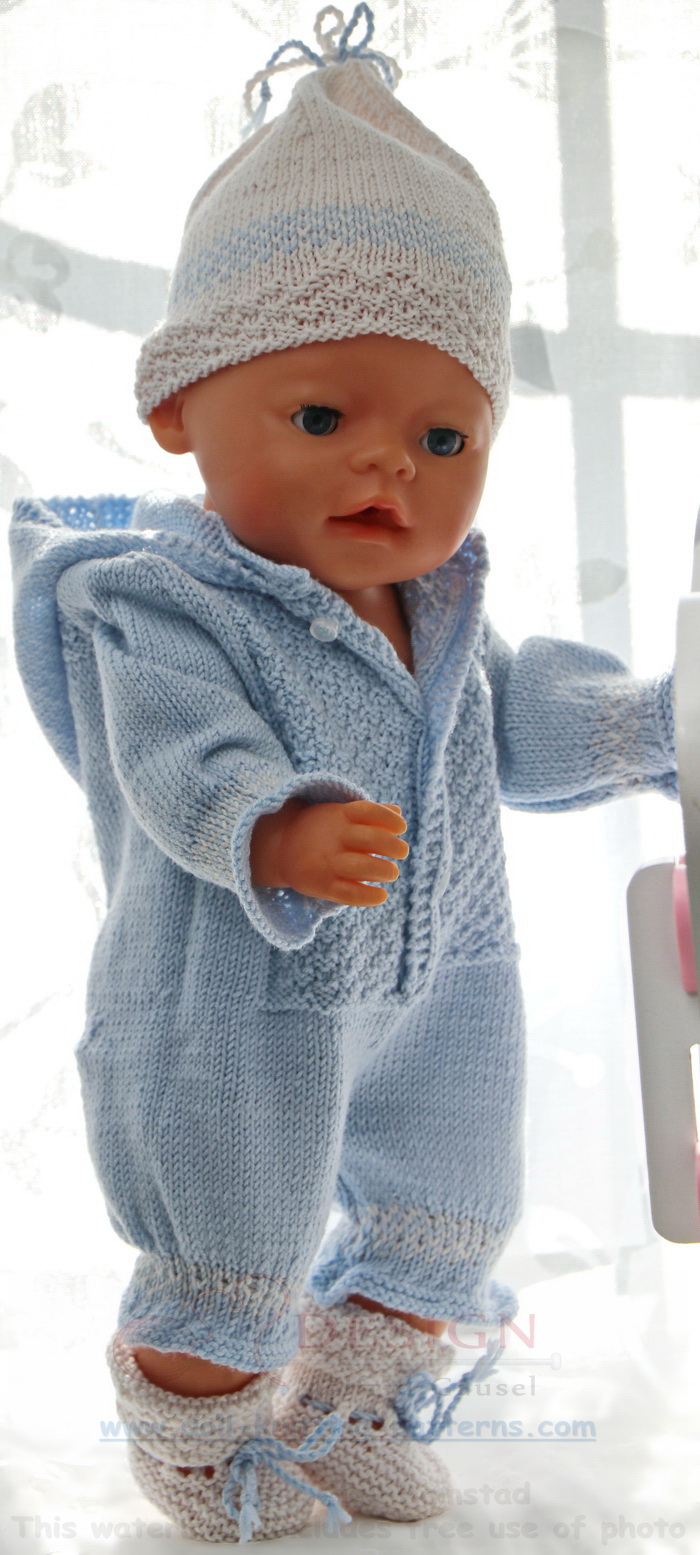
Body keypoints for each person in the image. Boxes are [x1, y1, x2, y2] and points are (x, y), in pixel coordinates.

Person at [9, 3, 677, 1543]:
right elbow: (171, 750)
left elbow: (512, 718)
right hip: (237, 993)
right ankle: (196, 1439)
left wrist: (650, 725)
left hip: (447, 980)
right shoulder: (158, 601)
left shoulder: (435, 613)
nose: (392, 465)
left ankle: (348, 1403)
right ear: (181, 408)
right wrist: (276, 822)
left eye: (447, 438)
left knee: (447, 1204)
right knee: (230, 1240)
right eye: (323, 415)